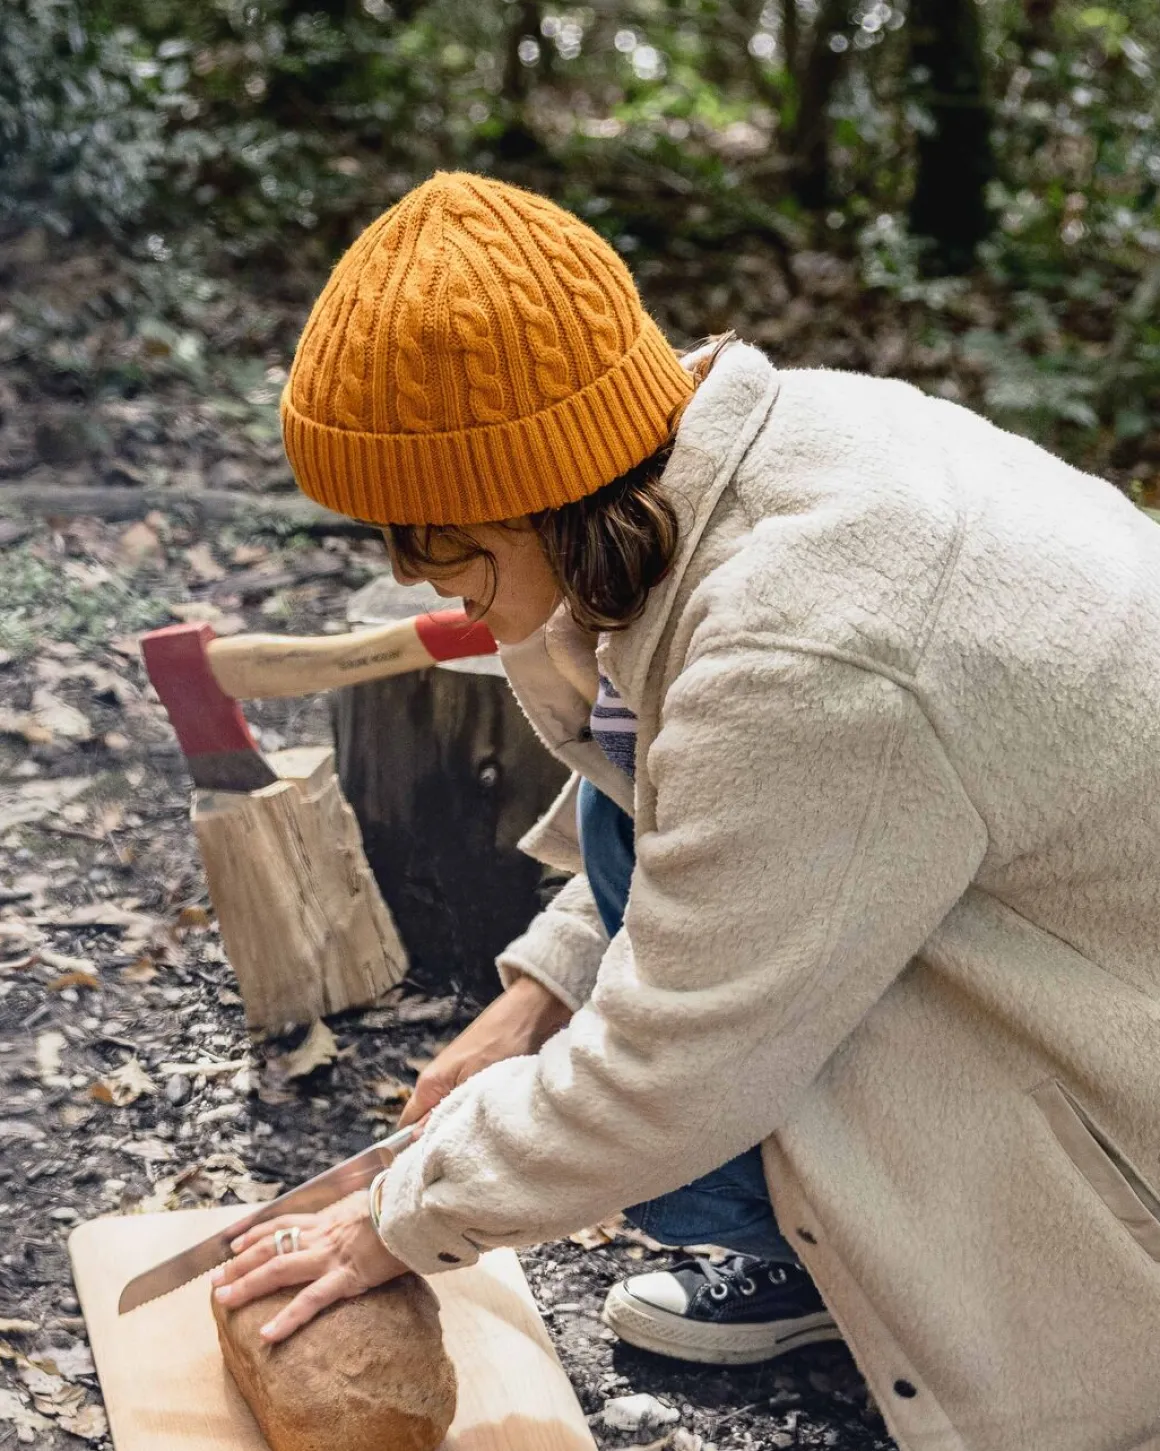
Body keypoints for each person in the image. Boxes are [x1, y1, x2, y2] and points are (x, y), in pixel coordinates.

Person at [211, 172, 1160, 1451]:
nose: (422, 581)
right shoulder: (748, 452)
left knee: (707, 1054)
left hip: (1124, 1104)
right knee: (640, 825)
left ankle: (997, 1305)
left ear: (535, 483)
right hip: (1068, 935)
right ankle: (836, 1266)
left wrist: (400, 1214)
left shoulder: (808, 647)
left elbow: (675, 1064)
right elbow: (689, 803)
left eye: (438, 541)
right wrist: (538, 991)